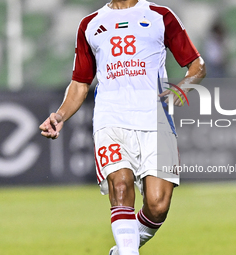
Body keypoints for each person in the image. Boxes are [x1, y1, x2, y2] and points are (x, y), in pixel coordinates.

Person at [39, 0, 206, 254]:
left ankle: (123, 250)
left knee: (158, 204)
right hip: (111, 120)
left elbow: (198, 66)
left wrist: (179, 91)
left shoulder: (160, 16)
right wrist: (60, 115)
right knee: (120, 184)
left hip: (156, 119)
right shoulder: (90, 24)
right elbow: (80, 83)